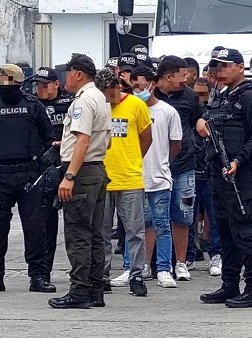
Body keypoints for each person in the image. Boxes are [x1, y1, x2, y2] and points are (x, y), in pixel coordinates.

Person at [0, 64, 55, 293]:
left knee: (35, 229)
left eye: (2, 77)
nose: (0, 80)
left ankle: (38, 277)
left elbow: (50, 141)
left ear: (11, 80)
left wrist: (45, 169)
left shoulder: (33, 106)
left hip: (30, 175)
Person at [197, 48, 252, 308]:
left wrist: (239, 161)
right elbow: (207, 121)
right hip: (218, 173)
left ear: (240, 67)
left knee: (246, 232)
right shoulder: (220, 96)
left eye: (225, 66)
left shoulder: (250, 97)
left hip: (240, 174)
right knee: (225, 232)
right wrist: (200, 124)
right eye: (216, 66)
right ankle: (229, 285)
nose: (219, 71)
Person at [48, 53, 111, 309]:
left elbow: (84, 139)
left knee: (78, 234)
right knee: (95, 233)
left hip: (82, 173)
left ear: (79, 74)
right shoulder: (101, 98)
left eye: (67, 72)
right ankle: (96, 290)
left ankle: (79, 291)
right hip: (96, 169)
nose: (64, 77)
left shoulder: (83, 102)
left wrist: (70, 176)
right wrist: (67, 145)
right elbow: (100, 139)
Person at [93, 68, 152, 297]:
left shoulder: (136, 105)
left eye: (111, 93)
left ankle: (136, 274)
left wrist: (132, 159)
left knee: (135, 231)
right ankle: (103, 275)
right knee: (102, 232)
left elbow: (146, 138)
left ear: (119, 87)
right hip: (102, 179)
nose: (109, 99)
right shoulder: (96, 106)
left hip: (129, 178)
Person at [131, 66, 183, 287]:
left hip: (159, 178)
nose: (139, 90)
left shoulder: (168, 112)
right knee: (135, 226)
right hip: (134, 178)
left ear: (153, 84)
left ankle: (163, 268)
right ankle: (133, 267)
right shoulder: (128, 110)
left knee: (162, 224)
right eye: (134, 87)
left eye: (142, 85)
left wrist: (162, 163)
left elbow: (175, 145)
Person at [154, 56, 203, 281]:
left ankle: (181, 263)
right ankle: (151, 264)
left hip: (184, 164)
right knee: (152, 217)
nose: (186, 79)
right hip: (154, 164)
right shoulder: (149, 96)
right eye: (182, 75)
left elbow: (196, 122)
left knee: (183, 215)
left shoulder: (191, 97)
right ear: (168, 76)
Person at [33, 67, 74, 275]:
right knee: (44, 222)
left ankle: (81, 268)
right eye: (37, 85)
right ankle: (44, 270)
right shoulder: (32, 104)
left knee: (75, 220)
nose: (40, 89)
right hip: (43, 166)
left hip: (68, 163)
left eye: (45, 84)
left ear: (56, 84)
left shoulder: (70, 103)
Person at [188, 77, 222, 276]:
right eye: (196, 95)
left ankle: (215, 255)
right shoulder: (187, 116)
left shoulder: (214, 114)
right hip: (190, 171)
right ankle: (189, 255)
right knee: (187, 217)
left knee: (214, 216)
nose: (200, 98)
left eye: (203, 94)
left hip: (210, 173)